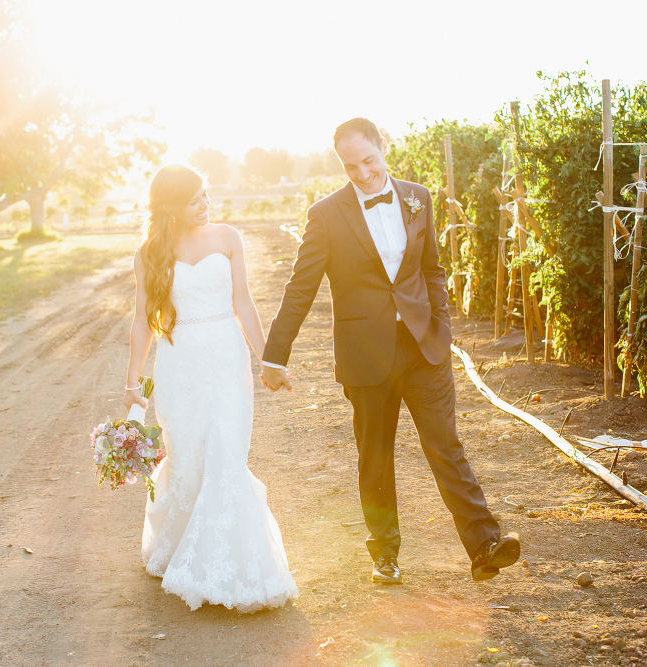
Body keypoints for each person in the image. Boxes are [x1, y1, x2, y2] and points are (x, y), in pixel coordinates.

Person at [260, 118, 519, 584]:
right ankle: (385, 554)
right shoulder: (325, 214)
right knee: (375, 456)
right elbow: (300, 288)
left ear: (384, 147)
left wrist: (441, 323)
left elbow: (432, 268)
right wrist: (275, 355)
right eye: (350, 167)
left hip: (424, 347)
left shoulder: (418, 197)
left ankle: (485, 545)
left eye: (369, 161)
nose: (362, 174)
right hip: (365, 353)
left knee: (446, 446)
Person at [123, 164, 299, 612]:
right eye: (195, 199)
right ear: (170, 208)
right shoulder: (149, 253)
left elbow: (243, 302)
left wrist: (269, 359)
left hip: (226, 358)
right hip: (179, 364)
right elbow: (143, 320)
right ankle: (181, 547)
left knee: (225, 453)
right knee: (188, 456)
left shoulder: (228, 238)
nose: (206, 205)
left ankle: (233, 565)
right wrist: (132, 382)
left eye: (206, 195)